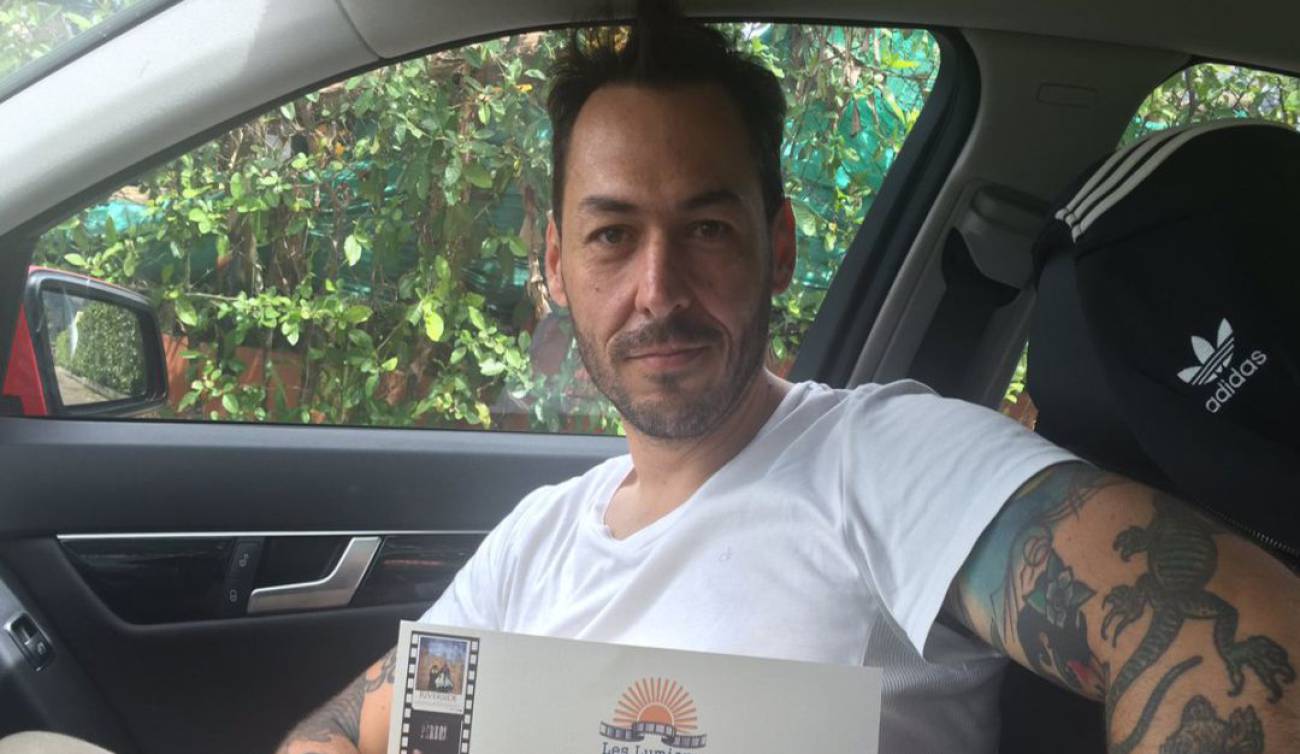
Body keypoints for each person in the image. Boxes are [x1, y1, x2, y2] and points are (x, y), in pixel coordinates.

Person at [274, 3, 1299, 754]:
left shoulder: (883, 458)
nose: (657, 289)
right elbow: (350, 727)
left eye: (706, 229)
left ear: (779, 247)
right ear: (555, 264)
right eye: (612, 235)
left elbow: (1244, 631)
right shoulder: (533, 541)